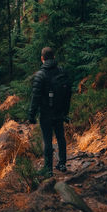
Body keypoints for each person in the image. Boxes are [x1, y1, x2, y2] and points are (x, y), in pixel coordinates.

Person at [28, 47, 71, 177]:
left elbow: (35, 97)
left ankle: (48, 169)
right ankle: (62, 163)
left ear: (42, 58)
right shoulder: (62, 72)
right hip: (59, 112)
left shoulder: (40, 75)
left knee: (47, 140)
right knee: (60, 137)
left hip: (46, 113)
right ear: (53, 57)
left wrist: (31, 115)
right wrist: (65, 111)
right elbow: (68, 93)